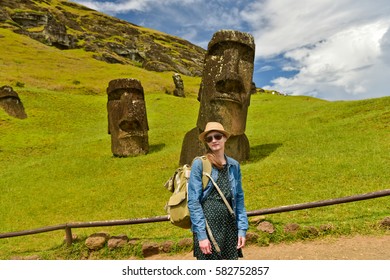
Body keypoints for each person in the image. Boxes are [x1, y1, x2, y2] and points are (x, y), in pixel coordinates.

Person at [187, 122, 248, 260]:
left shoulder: (234, 165)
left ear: (225, 138)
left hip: (229, 227)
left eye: (217, 136)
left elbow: (239, 199)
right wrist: (201, 235)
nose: (214, 140)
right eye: (209, 138)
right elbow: (193, 201)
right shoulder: (200, 164)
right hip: (208, 227)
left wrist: (242, 229)